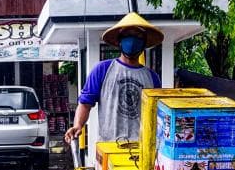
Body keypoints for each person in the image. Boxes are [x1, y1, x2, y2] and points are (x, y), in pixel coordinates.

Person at [64, 12, 164, 144]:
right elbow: (85, 104)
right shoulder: (102, 70)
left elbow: (158, 113)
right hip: (110, 146)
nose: (132, 41)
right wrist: (78, 125)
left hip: (143, 147)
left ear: (144, 43)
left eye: (138, 36)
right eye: (128, 36)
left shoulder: (152, 77)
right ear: (120, 41)